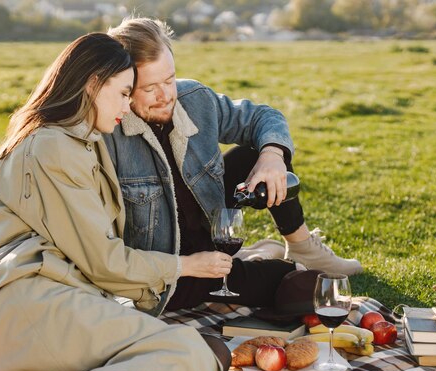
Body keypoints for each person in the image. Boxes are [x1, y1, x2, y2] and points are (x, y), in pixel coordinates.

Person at [0, 33, 229, 371]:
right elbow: (104, 263)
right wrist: (185, 266)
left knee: (205, 359)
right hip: (34, 311)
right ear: (92, 84)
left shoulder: (80, 139)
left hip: (62, 298)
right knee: (189, 353)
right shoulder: (52, 147)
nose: (127, 105)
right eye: (122, 93)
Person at [103, 17, 362, 311]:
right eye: (150, 88)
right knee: (296, 286)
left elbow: (263, 117)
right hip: (173, 270)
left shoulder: (195, 99)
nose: (166, 97)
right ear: (123, 86)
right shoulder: (108, 131)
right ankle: (252, 259)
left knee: (257, 152)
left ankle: (302, 246)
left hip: (209, 226)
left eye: (169, 80)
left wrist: (273, 156)